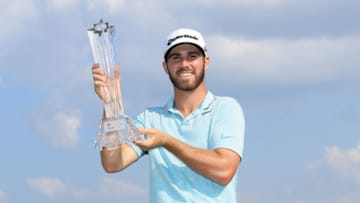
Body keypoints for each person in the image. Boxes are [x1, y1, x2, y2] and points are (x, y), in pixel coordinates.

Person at [91, 28, 245, 203]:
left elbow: (224, 171)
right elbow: (113, 163)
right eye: (175, 58)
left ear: (206, 62)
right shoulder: (151, 118)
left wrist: (167, 141)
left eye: (192, 56)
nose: (184, 63)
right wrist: (110, 105)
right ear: (166, 67)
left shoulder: (225, 108)